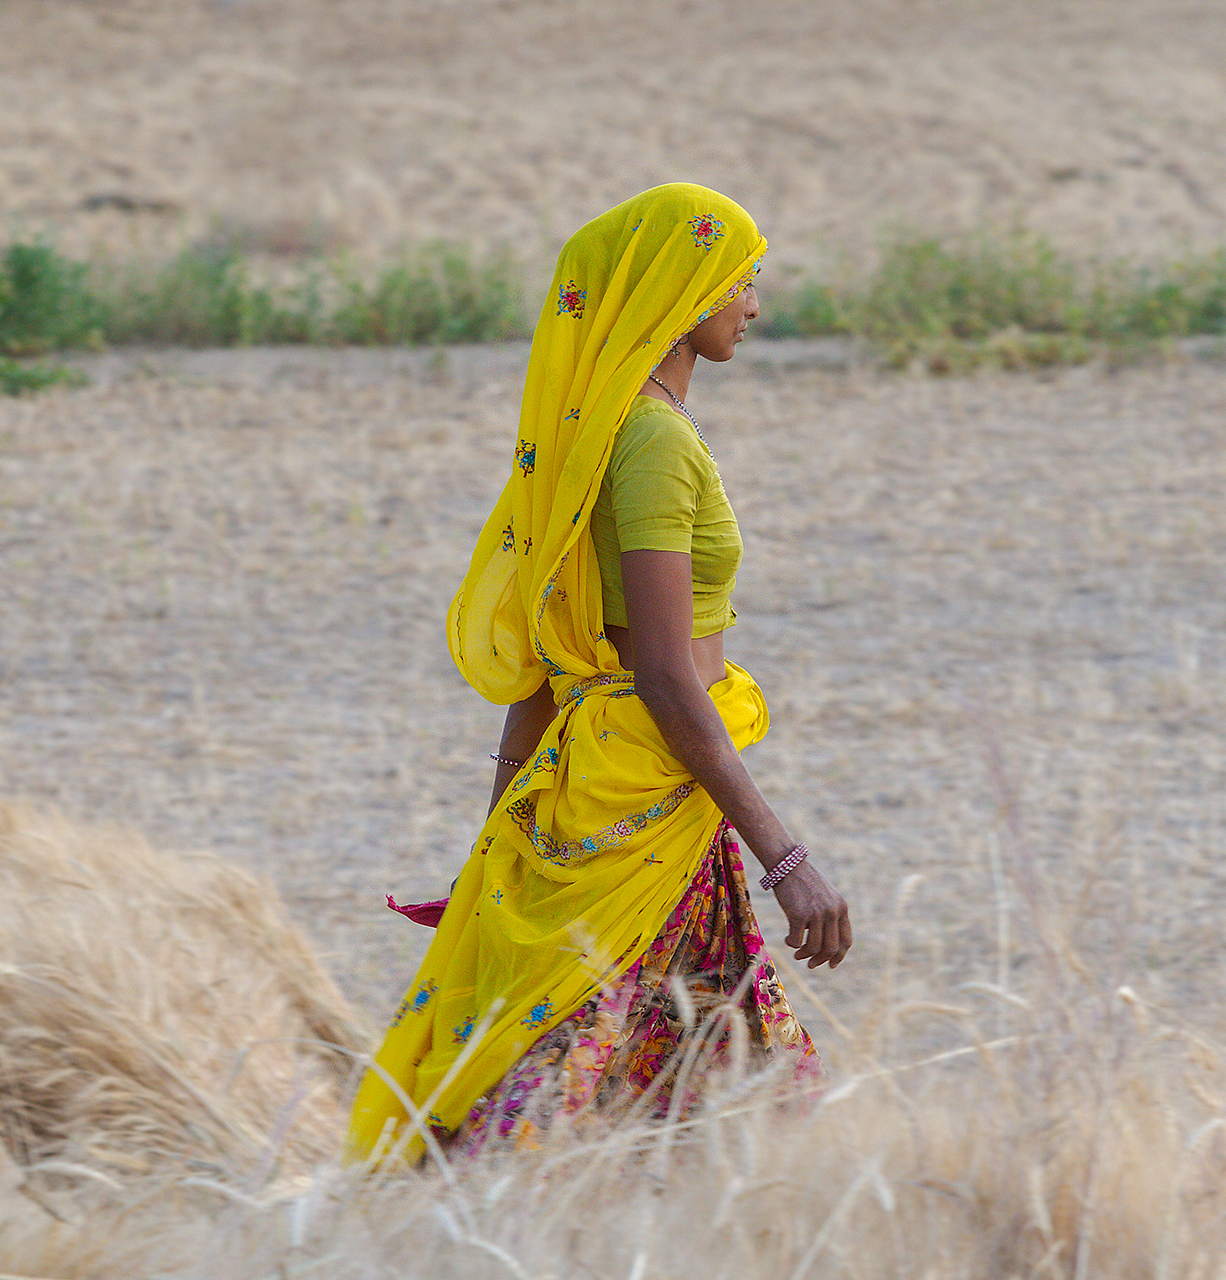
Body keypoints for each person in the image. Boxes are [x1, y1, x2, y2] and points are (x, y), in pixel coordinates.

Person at [345, 183, 851, 1165]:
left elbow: (543, 666)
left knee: (676, 1070)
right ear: (685, 287)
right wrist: (786, 859)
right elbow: (665, 674)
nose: (753, 304)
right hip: (644, 791)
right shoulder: (655, 441)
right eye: (741, 279)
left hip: (625, 795)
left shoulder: (596, 437)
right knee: (604, 1081)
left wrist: (500, 845)